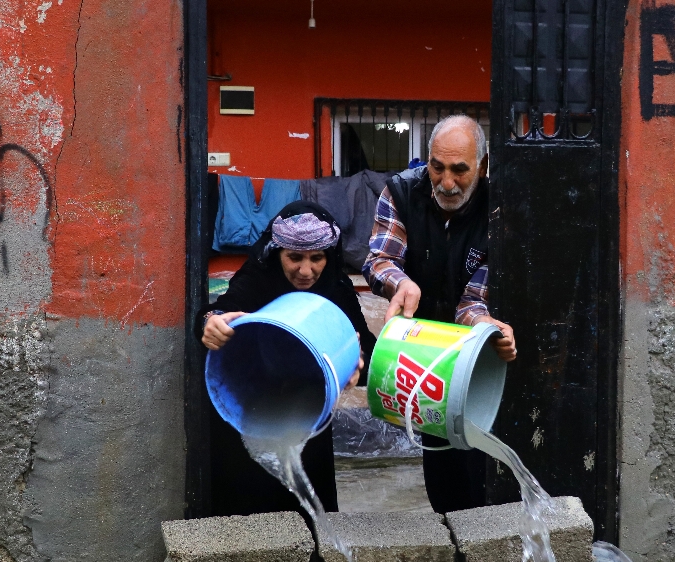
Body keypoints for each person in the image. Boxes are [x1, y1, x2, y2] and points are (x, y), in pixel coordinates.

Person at [362, 115, 517, 514]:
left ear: (482, 167)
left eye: (460, 170)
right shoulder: (400, 192)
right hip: (427, 362)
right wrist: (401, 283)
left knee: (487, 475)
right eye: (437, 167)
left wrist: (486, 327)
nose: (446, 182)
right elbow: (379, 259)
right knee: (443, 478)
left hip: (483, 361)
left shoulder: (501, 207)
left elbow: (473, 302)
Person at [198, 200, 377, 518]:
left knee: (310, 520)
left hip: (306, 413)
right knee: (247, 518)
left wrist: (355, 363)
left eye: (316, 258)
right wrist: (211, 322)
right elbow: (220, 311)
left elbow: (364, 348)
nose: (305, 271)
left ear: (329, 256)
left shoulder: (336, 288)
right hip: (251, 409)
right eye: (294, 257)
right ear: (276, 253)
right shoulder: (258, 278)